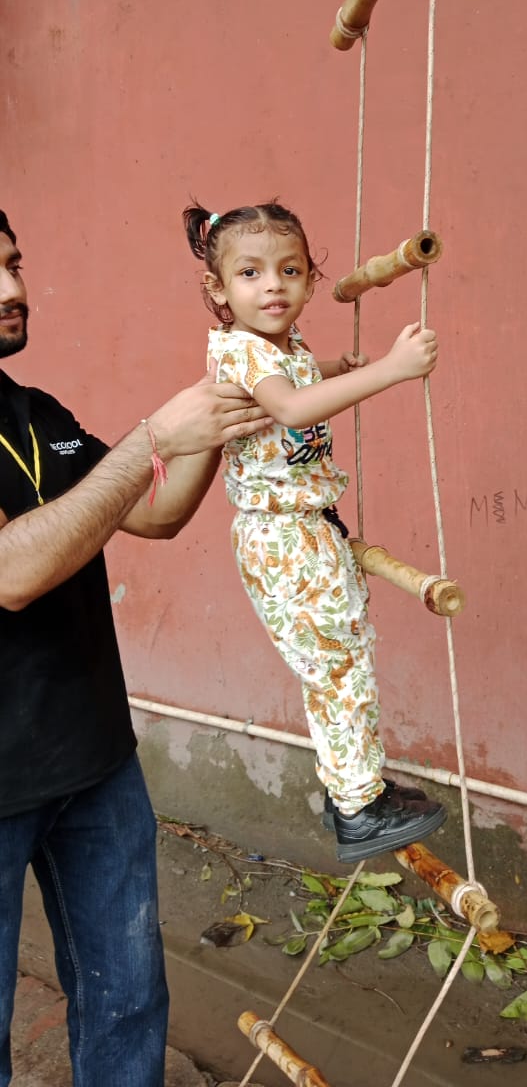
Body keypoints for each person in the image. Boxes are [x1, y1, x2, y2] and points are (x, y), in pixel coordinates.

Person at [0, 207, 271, 1087]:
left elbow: (151, 510)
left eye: (14, 262)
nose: (11, 288)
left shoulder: (37, 413)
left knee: (126, 1006)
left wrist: (228, 403)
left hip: (94, 761)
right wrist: (154, 436)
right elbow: (14, 571)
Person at [183, 199, 448, 864]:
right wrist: (388, 370)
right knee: (337, 665)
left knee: (341, 656)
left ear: (308, 278)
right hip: (287, 539)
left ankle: (351, 786)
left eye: (290, 270)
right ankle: (360, 806)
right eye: (250, 273)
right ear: (218, 288)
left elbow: (294, 382)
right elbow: (292, 407)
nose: (273, 286)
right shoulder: (245, 350)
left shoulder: (278, 345)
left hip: (302, 532)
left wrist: (335, 367)